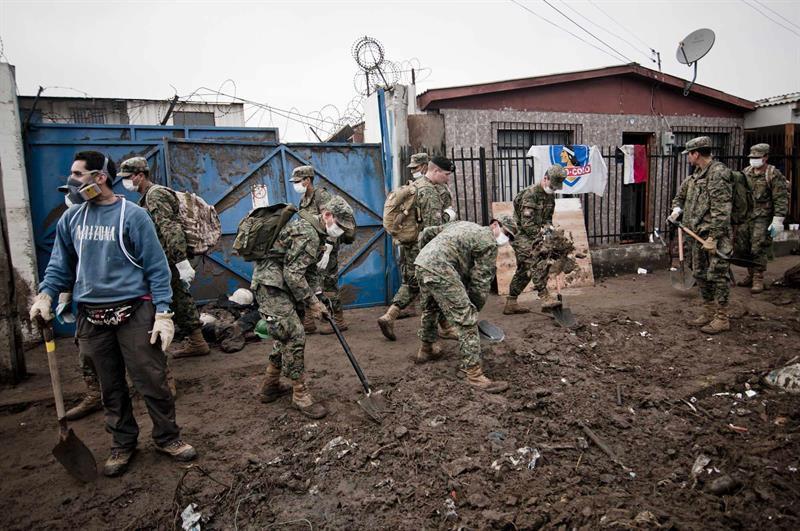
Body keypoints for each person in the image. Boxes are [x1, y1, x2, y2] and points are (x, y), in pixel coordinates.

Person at [29, 151, 196, 477]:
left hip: (135, 312)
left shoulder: (133, 216)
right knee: (110, 386)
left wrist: (163, 312)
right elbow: (59, 266)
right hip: (91, 316)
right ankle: (123, 443)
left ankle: (167, 437)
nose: (71, 181)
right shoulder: (72, 219)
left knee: (152, 379)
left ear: (99, 178)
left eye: (77, 175)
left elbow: (157, 267)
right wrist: (46, 295)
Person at [252, 195, 356, 419]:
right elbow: (293, 274)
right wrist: (312, 303)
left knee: (286, 337)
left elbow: (309, 270)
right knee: (295, 335)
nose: (340, 231)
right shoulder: (308, 233)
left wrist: (318, 295)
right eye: (339, 225)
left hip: (284, 286)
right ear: (327, 216)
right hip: (272, 287)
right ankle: (300, 394)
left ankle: (269, 386)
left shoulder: (317, 232)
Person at [118, 157, 210, 358]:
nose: (125, 182)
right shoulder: (147, 197)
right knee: (176, 298)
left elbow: (170, 228)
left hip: (169, 258)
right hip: (164, 257)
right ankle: (195, 340)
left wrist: (181, 262)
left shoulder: (155, 195)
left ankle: (197, 342)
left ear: (140, 176)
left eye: (128, 177)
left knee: (178, 298)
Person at [413, 215, 515, 393]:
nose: (505, 238)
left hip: (422, 263)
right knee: (466, 320)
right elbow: (481, 282)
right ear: (495, 225)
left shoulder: (464, 224)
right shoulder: (489, 243)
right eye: (506, 233)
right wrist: (473, 307)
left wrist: (427, 254)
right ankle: (474, 376)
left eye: (510, 237)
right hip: (441, 268)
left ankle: (427, 348)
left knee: (431, 309)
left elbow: (427, 232)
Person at [377, 155, 459, 341]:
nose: (447, 178)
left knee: (412, 283)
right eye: (446, 174)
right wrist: (449, 216)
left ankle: (389, 316)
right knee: (436, 285)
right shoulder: (428, 191)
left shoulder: (415, 185)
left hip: (411, 245)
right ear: (436, 170)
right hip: (425, 248)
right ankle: (442, 329)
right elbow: (432, 227)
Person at [668, 136, 733, 334]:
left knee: (718, 275)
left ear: (696, 154)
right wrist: (676, 210)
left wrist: (714, 237)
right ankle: (708, 311)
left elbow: (722, 210)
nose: (688, 157)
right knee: (701, 274)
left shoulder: (718, 173)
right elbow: (679, 197)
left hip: (713, 238)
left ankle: (722, 317)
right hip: (695, 236)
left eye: (689, 154)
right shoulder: (695, 176)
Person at [291, 166, 356, 335]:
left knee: (328, 283)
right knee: (307, 279)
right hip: (312, 246)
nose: (296, 185)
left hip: (327, 247)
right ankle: (309, 319)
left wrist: (327, 250)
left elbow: (333, 221)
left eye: (298, 181)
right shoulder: (304, 199)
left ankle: (337, 319)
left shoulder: (321, 195)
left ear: (308, 179)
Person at [504, 165, 567, 314]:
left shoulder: (550, 196)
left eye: (556, 188)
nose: (554, 190)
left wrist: (550, 232)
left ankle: (511, 302)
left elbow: (547, 219)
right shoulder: (530, 194)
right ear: (545, 178)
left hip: (537, 236)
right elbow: (527, 225)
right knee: (534, 261)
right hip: (521, 235)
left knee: (524, 271)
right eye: (552, 186)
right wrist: (542, 238)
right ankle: (544, 296)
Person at [734, 143, 789, 294]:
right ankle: (750, 274)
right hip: (747, 215)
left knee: (758, 246)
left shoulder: (773, 174)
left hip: (763, 216)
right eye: (752, 157)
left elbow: (781, 198)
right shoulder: (746, 172)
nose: (754, 160)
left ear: (765, 157)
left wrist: (778, 219)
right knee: (742, 245)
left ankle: (758, 277)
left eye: (757, 157)